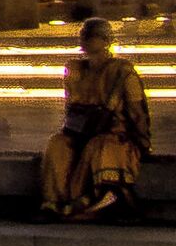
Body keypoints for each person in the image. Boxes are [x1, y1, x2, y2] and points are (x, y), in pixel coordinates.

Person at [37, 19, 151, 221]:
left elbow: (137, 112)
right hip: (79, 131)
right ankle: (54, 203)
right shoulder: (74, 70)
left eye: (91, 35)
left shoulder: (122, 72)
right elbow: (71, 107)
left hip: (113, 134)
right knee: (57, 144)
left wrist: (143, 141)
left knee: (97, 147)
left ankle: (92, 201)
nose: (85, 39)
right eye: (83, 35)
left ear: (106, 40)